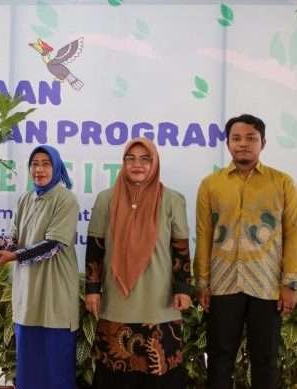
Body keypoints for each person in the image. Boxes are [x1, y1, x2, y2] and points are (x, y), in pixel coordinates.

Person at [194, 114, 297, 389]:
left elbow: (293, 234)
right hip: (222, 285)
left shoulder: (282, 183)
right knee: (219, 358)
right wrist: (203, 283)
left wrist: (290, 283)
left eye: (251, 138)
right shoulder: (211, 184)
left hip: (266, 285)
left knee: (265, 360)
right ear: (228, 143)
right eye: (236, 138)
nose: (243, 144)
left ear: (263, 143)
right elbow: (204, 234)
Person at [83, 137, 192, 389]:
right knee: (116, 374)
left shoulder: (173, 200)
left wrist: (183, 289)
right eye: (130, 159)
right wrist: (92, 290)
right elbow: (95, 249)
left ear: (154, 163)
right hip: (116, 300)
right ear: (123, 163)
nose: (137, 165)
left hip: (159, 300)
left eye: (145, 159)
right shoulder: (105, 199)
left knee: (159, 374)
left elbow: (181, 251)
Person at [0, 145, 80, 389]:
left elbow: (52, 245)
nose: (39, 169)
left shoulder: (65, 199)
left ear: (57, 167)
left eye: (45, 163)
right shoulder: (25, 199)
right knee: (29, 368)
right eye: (34, 164)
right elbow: (13, 238)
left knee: (55, 368)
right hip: (28, 296)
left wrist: (12, 256)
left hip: (55, 296)